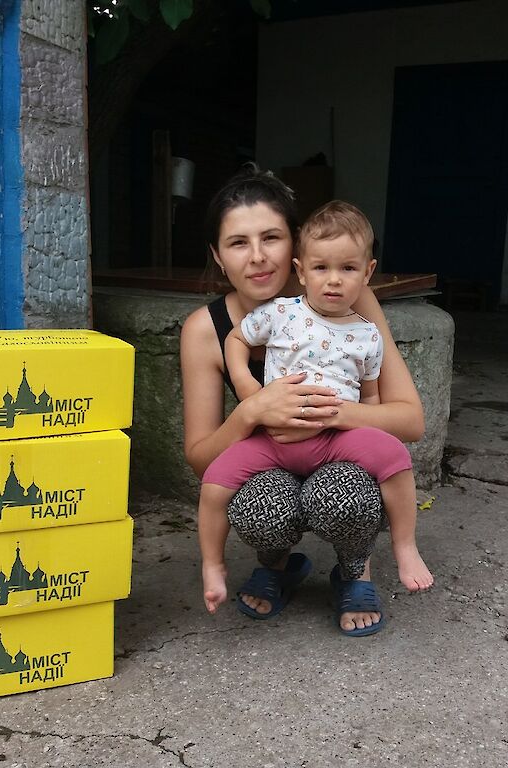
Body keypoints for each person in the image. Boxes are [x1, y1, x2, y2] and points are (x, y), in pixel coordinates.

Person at [180, 166, 426, 637]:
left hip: (336, 454)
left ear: (294, 244)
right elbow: (201, 460)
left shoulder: (346, 300)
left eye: (271, 238)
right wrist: (251, 411)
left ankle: (354, 569)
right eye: (238, 243)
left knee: (348, 493)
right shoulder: (206, 330)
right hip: (270, 458)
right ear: (217, 255)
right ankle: (277, 564)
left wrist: (329, 412)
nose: (257, 257)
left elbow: (409, 421)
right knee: (258, 503)